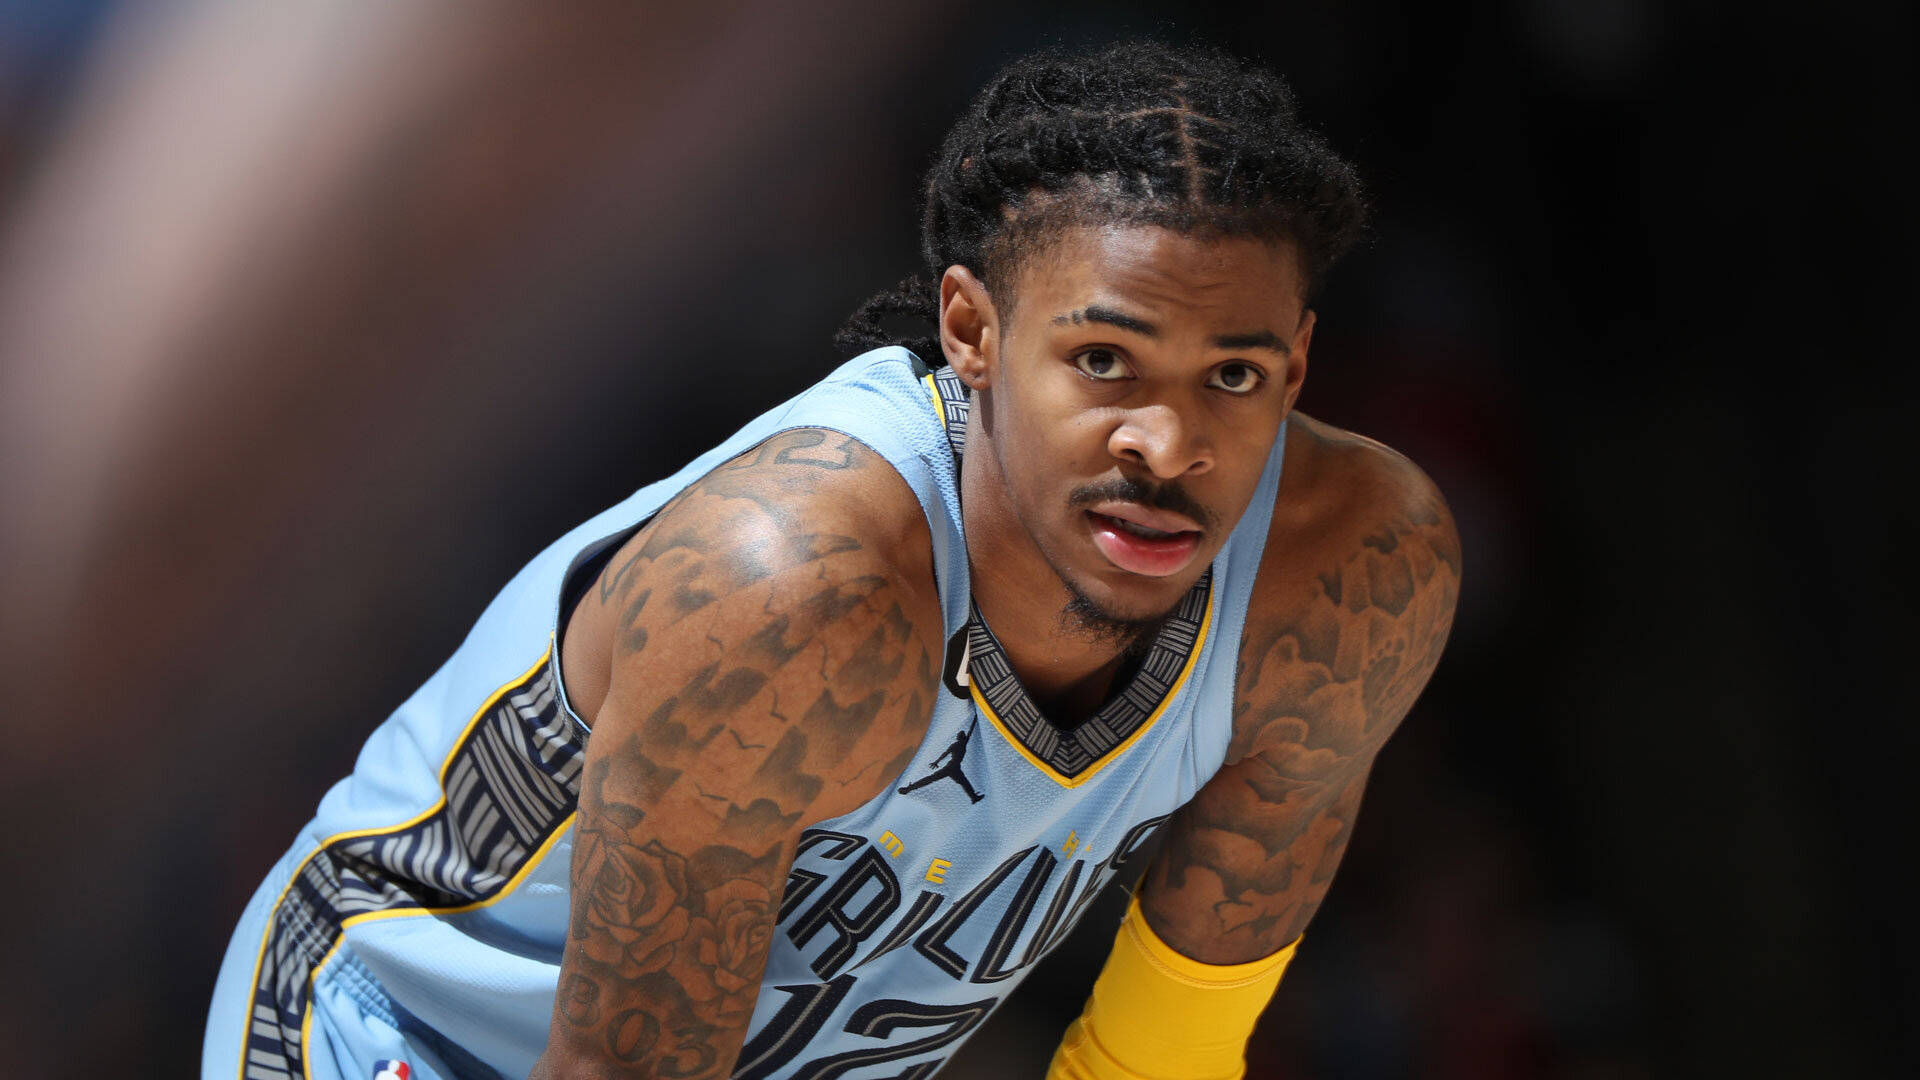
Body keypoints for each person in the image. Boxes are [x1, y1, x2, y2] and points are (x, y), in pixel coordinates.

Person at [204, 38, 1459, 1080]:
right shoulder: (795, 594)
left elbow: (1157, 1054)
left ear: (1295, 367)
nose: (1166, 443)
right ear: (971, 329)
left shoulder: (1353, 577)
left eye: (1230, 377)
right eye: (1102, 362)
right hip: (400, 1029)